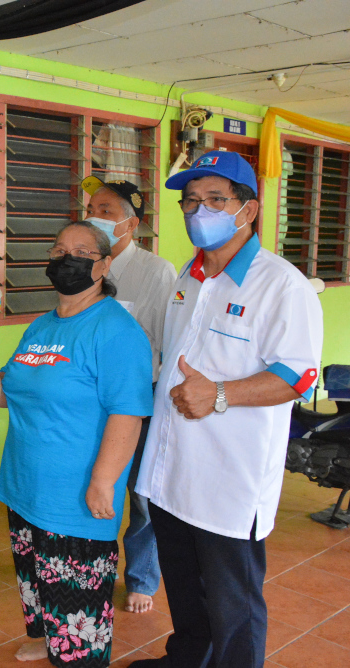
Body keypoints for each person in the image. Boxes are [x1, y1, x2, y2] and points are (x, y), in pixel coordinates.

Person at [129, 152, 324, 668]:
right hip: (171, 471)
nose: (200, 210)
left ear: (248, 209)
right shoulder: (187, 281)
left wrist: (220, 394)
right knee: (185, 590)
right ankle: (187, 659)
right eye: (191, 200)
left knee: (233, 603)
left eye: (216, 200)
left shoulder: (280, 284)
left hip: (227, 480)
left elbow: (299, 374)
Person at [0, 221, 153, 667]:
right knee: (36, 580)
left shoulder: (116, 330)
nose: (65, 258)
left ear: (104, 265)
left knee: (77, 598)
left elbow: (128, 413)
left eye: (81, 251)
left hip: (75, 493)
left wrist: (103, 481)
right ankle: (46, 638)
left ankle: (76, 654)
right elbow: (9, 393)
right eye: (58, 250)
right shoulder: (41, 326)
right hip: (24, 483)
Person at [83, 176, 176, 615]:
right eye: (91, 207)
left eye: (105, 211)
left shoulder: (155, 271)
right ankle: (87, 568)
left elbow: (160, 340)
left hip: (138, 398)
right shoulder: (83, 263)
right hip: (88, 398)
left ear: (130, 224)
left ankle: (141, 576)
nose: (93, 216)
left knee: (139, 493)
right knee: (93, 482)